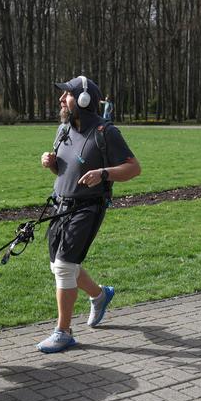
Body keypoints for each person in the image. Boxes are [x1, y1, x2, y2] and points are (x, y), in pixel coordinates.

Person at [38, 76, 141, 353]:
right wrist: (50, 163)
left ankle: (63, 331)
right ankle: (99, 295)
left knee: (64, 266)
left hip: (88, 207)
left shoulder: (106, 133)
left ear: (83, 100)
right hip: (59, 205)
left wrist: (103, 173)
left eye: (67, 95)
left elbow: (134, 168)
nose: (61, 100)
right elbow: (64, 169)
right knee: (60, 266)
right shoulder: (63, 130)